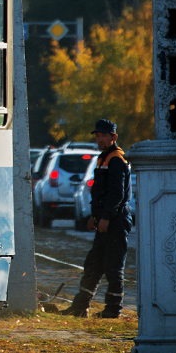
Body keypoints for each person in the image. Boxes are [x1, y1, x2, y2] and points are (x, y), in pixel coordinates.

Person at [62, 119, 133, 319]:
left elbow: (117, 193)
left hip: (116, 220)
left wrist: (107, 217)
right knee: (93, 263)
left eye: (104, 136)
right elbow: (101, 192)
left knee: (113, 266)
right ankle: (80, 306)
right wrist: (95, 217)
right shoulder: (104, 157)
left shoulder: (116, 159)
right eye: (98, 136)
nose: (100, 139)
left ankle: (113, 309)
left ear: (114, 137)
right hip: (105, 219)